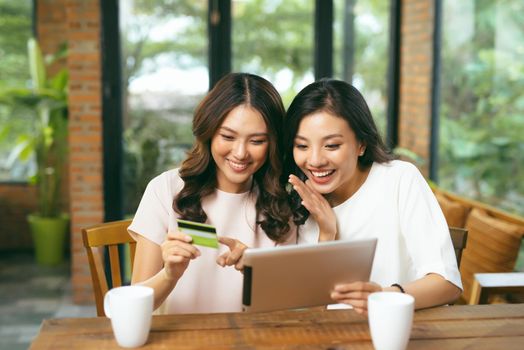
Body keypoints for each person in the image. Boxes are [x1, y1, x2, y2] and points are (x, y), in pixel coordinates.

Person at [284, 79, 462, 315]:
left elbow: (446, 283)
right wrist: (327, 234)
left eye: (332, 145)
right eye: (302, 146)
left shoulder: (399, 179)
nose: (315, 160)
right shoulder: (299, 202)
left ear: (361, 144)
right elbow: (313, 312)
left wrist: (382, 298)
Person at [129, 73, 295, 314]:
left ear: (273, 143)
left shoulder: (280, 206)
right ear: (209, 133)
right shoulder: (165, 189)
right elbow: (136, 302)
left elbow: (285, 312)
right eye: (228, 136)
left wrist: (256, 275)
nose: (240, 153)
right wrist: (169, 275)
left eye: (257, 141)